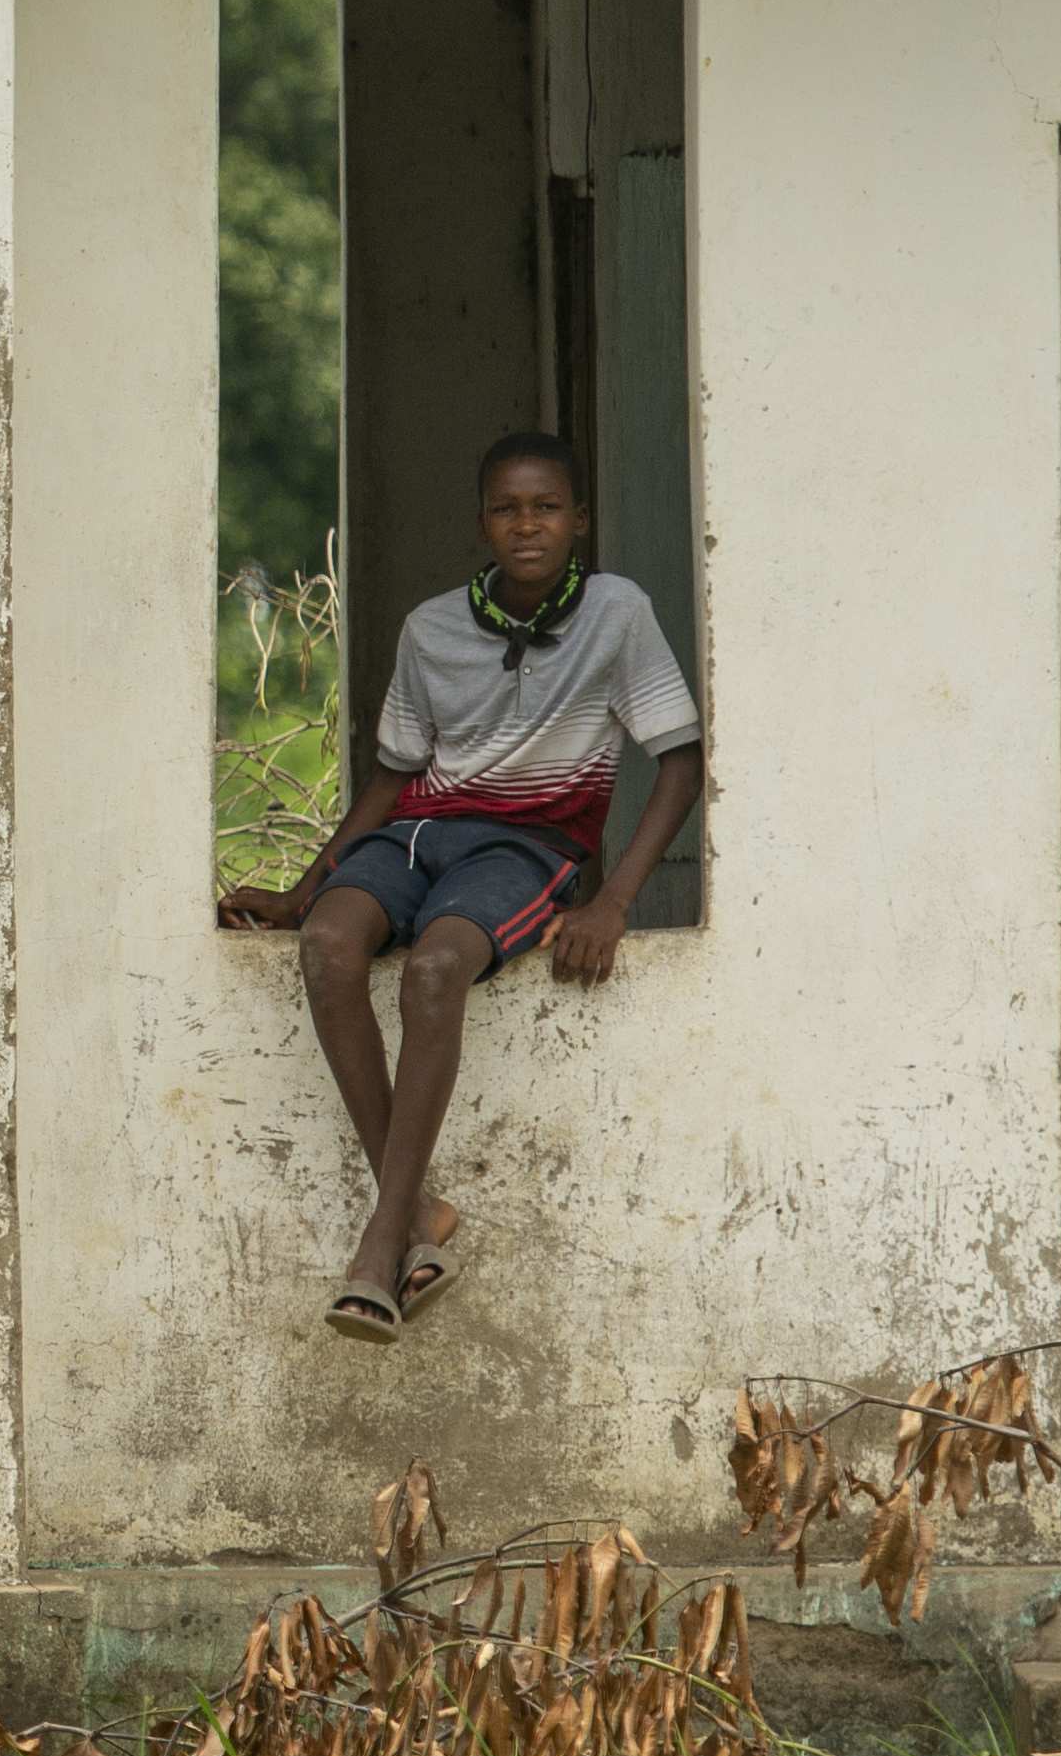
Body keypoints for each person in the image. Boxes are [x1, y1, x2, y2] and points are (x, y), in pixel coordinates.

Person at [225, 431, 705, 1343]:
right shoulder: (432, 627)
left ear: (579, 521)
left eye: (547, 507)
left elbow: (678, 763)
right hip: (416, 835)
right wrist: (302, 886)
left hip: (526, 847)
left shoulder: (616, 612)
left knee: (436, 969)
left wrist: (612, 902)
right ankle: (414, 1219)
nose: (527, 526)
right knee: (328, 945)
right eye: (507, 509)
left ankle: (379, 1241)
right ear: (481, 522)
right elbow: (390, 776)